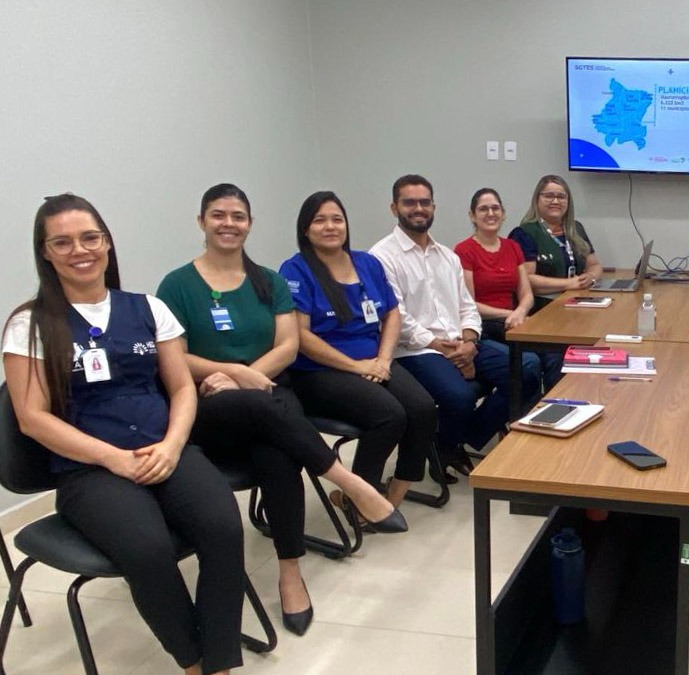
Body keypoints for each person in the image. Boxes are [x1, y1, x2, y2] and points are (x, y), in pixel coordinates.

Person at [2, 194, 244, 675]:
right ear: (45, 252)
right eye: (62, 242)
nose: (80, 250)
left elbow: (182, 388)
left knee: (223, 528)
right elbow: (32, 417)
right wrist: (112, 458)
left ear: (107, 243)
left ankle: (219, 663)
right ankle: (193, 662)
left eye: (90, 237)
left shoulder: (148, 308)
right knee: (148, 550)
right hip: (89, 470)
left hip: (165, 449)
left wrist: (173, 445)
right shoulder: (30, 324)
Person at [157, 183, 406, 637]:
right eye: (218, 215)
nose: (229, 223)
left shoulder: (268, 281)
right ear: (201, 222)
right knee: (270, 414)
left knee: (279, 455)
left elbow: (288, 345)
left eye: (238, 216)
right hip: (209, 402)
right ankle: (349, 481)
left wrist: (248, 376)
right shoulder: (176, 285)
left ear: (250, 224)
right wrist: (233, 373)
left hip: (269, 389)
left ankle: (290, 573)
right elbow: (174, 358)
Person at [370, 175, 542, 478]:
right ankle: (448, 446)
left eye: (425, 202)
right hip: (415, 350)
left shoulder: (446, 257)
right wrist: (441, 347)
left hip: (461, 342)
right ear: (394, 208)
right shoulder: (381, 257)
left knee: (527, 369)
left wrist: (470, 342)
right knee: (460, 397)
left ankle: (452, 440)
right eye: (410, 203)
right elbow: (396, 317)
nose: (419, 208)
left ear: (433, 207)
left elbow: (467, 306)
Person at [279, 191, 437, 510]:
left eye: (337, 219)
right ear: (305, 229)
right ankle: (360, 499)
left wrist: (383, 359)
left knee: (423, 409)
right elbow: (301, 336)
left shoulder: (367, 263)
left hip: (374, 362)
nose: (330, 226)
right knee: (389, 415)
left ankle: (395, 494)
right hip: (319, 372)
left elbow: (391, 313)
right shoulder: (295, 270)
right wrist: (357, 366)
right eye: (320, 220)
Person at [455, 188, 561, 389]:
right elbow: (469, 304)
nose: (491, 213)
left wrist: (521, 311)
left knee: (555, 355)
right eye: (483, 209)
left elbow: (526, 293)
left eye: (495, 208)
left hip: (514, 324)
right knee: (529, 365)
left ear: (503, 214)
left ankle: (552, 405)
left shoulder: (512, 247)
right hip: (484, 328)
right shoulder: (464, 250)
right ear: (472, 216)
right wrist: (510, 314)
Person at [508, 175, 604, 312]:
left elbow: (594, 265)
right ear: (537, 199)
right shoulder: (524, 233)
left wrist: (591, 277)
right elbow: (526, 279)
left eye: (561, 197)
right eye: (549, 196)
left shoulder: (576, 228)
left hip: (577, 301)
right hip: (541, 307)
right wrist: (568, 283)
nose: (555, 201)